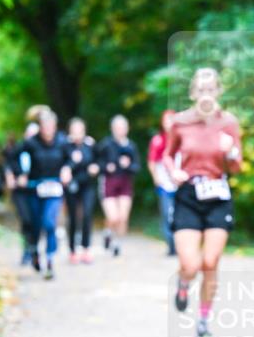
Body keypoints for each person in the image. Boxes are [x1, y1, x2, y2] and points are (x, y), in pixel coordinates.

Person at [163, 68, 242, 337]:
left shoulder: (229, 123)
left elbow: (237, 165)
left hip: (217, 194)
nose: (206, 95)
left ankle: (204, 320)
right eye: (201, 90)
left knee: (210, 261)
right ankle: (184, 283)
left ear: (218, 92)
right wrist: (173, 173)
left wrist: (229, 150)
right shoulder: (180, 123)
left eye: (211, 90)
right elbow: (167, 156)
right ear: (193, 93)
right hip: (188, 195)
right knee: (190, 264)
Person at [24, 109, 68, 280]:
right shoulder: (31, 143)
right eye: (45, 126)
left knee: (49, 223)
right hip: (35, 189)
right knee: (36, 224)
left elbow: (71, 158)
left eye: (51, 126)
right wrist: (19, 173)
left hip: (54, 189)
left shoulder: (62, 141)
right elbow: (15, 158)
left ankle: (49, 259)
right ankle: (34, 251)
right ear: (40, 127)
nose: (48, 129)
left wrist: (67, 169)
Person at [97, 115, 140, 257]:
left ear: (127, 129)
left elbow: (137, 167)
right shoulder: (105, 145)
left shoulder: (131, 146)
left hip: (125, 184)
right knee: (113, 217)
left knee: (123, 217)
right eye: (117, 128)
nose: (120, 130)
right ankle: (108, 231)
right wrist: (106, 167)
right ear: (112, 129)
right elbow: (96, 164)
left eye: (122, 127)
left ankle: (117, 243)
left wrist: (128, 166)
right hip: (109, 183)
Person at [62, 117, 100, 264]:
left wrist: (95, 167)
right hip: (72, 186)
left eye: (80, 130)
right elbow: (62, 164)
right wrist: (71, 164)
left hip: (87, 186)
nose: (78, 133)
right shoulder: (65, 146)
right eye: (74, 130)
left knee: (87, 215)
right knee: (72, 217)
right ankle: (72, 250)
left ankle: (86, 249)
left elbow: (98, 161)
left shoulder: (90, 144)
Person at [6, 123, 37, 267]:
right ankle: (27, 250)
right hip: (20, 192)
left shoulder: (41, 150)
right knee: (26, 219)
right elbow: (8, 163)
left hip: (36, 191)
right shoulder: (18, 149)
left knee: (36, 221)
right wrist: (12, 177)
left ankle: (33, 249)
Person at [148, 110, 178, 256]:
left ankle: (179, 244)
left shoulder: (181, 139)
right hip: (165, 184)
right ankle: (170, 243)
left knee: (179, 214)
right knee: (166, 213)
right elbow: (152, 162)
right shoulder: (158, 140)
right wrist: (156, 178)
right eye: (166, 120)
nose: (169, 123)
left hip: (180, 184)